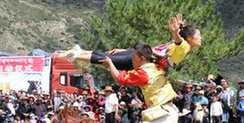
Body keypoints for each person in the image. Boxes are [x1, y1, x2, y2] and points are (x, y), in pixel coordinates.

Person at [58, 14, 202, 72]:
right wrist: (176, 31)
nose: (200, 38)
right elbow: (178, 41)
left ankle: (80, 51)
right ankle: (76, 55)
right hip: (140, 60)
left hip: (141, 53)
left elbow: (175, 41)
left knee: (105, 56)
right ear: (189, 38)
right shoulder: (184, 46)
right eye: (198, 35)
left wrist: (180, 29)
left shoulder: (179, 44)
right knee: (106, 60)